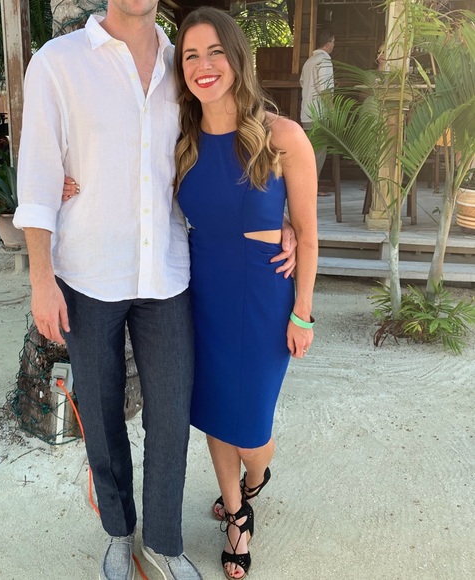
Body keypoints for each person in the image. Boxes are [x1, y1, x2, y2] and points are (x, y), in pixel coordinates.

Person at [14, 1, 296, 579]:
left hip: (167, 275)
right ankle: (119, 534)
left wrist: (280, 216)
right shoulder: (57, 63)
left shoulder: (183, 66)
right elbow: (38, 179)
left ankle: (164, 543)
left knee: (170, 418)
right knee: (101, 416)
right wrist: (41, 280)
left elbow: (228, 144)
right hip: (87, 274)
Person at [172, 7, 318, 580]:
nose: (203, 65)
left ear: (236, 58)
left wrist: (303, 312)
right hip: (202, 290)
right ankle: (237, 515)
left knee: (253, 428)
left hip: (264, 294)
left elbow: (307, 234)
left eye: (215, 52)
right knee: (214, 410)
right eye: (190, 55)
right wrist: (66, 181)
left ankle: (255, 477)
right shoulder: (181, 140)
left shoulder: (282, 136)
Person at [299, 29, 335, 195]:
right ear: (328, 43)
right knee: (318, 153)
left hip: (306, 112)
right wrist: (333, 111)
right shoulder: (324, 61)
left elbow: (302, 83)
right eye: (333, 42)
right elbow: (324, 89)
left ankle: (307, 187)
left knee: (310, 151)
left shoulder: (309, 61)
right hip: (319, 113)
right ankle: (312, 188)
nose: (333, 45)